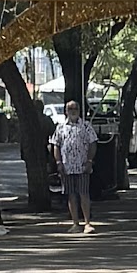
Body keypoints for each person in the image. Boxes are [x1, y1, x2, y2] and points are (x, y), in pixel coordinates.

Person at [56, 98, 97, 233]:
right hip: (67, 167)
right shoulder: (60, 127)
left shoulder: (86, 126)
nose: (73, 111)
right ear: (66, 111)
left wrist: (89, 161)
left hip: (82, 166)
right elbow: (56, 145)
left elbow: (92, 143)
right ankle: (75, 223)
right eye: (70, 109)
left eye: (75, 109)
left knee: (84, 194)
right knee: (71, 195)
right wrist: (58, 162)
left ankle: (87, 223)